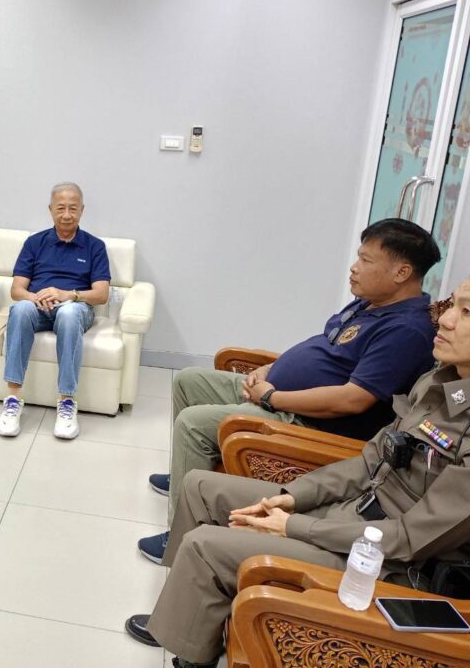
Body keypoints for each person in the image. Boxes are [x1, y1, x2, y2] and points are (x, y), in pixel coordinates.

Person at [124, 268, 470, 668]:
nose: (445, 319)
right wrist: (294, 497)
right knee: (200, 487)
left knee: (205, 546)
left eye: (467, 312)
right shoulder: (440, 380)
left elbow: (412, 538)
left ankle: (190, 654)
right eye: (451, 305)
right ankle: (184, 612)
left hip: (391, 565)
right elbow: (369, 461)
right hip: (356, 514)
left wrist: (294, 526)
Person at [139, 219, 441, 564]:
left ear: (402, 272)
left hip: (308, 421)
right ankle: (186, 469)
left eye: (366, 260)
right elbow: (322, 349)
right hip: (276, 393)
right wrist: (269, 370)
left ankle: (178, 535)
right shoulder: (370, 303)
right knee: (189, 380)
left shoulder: (406, 331)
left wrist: (271, 397)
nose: (354, 268)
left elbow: (352, 399)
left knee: (194, 424)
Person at [0, 182, 111, 440]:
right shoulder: (34, 243)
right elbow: (17, 289)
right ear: (50, 209)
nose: (67, 214)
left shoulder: (95, 246)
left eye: (73, 208)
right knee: (20, 309)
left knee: (69, 314)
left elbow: (102, 294)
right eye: (61, 208)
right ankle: (13, 399)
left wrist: (69, 295)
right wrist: (35, 297)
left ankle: (66, 402)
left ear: (82, 210)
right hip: (38, 306)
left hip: (74, 307)